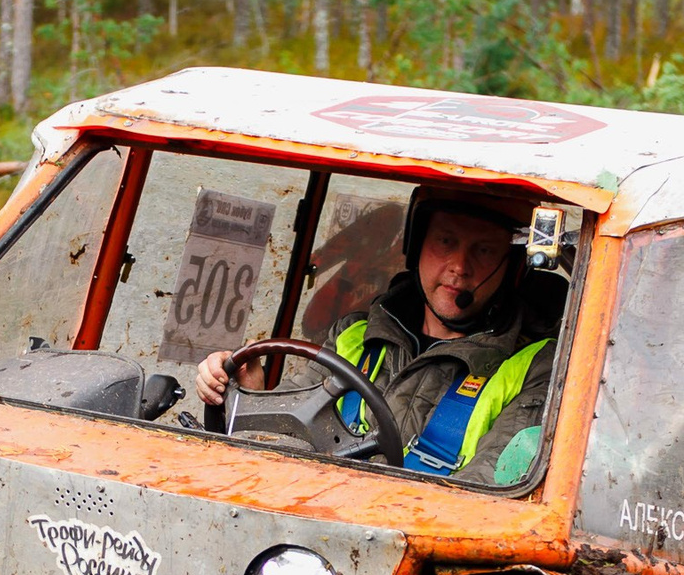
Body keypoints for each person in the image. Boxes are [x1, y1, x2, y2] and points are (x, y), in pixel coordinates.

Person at [193, 191, 556, 485]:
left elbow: (492, 488)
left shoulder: (537, 368)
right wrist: (254, 396)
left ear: (512, 266)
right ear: (416, 248)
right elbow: (284, 441)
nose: (460, 266)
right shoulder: (354, 336)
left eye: (484, 250)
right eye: (446, 241)